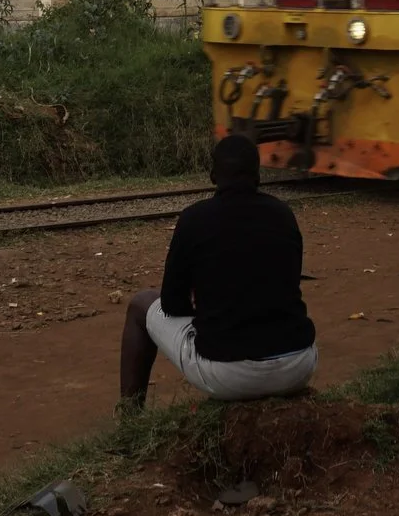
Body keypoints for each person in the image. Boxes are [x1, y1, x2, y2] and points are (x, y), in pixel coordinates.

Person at [119, 134, 317, 408]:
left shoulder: (194, 219)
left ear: (213, 176)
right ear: (258, 176)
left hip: (228, 375)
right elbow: (286, 283)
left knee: (140, 305)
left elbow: (172, 303)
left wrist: (211, 314)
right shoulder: (283, 214)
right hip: (298, 365)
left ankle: (129, 421)